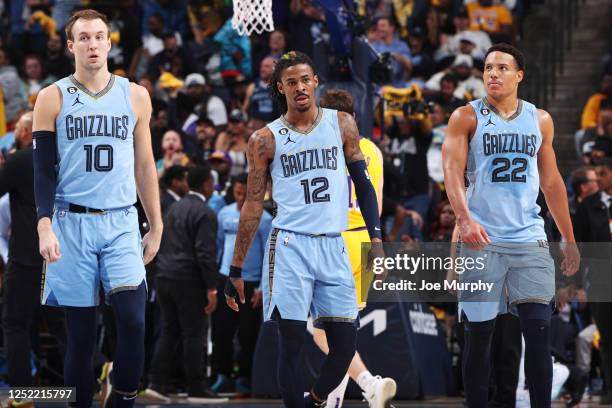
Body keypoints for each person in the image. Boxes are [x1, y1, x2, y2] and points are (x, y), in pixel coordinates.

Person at [225, 51, 384, 408]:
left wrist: (376, 238)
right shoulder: (264, 139)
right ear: (280, 88)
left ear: (316, 83)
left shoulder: (342, 123)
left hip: (334, 243)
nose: (299, 87)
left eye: (305, 79)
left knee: (344, 344)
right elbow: (252, 205)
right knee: (292, 341)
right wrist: (236, 268)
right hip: (290, 246)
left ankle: (316, 398)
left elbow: (364, 184)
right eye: (291, 82)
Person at [32, 9, 163, 408]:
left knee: (133, 320)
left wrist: (156, 223)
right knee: (82, 336)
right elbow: (43, 172)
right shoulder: (51, 97)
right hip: (71, 222)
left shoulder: (136, 95)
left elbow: (145, 164)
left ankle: (122, 399)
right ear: (71, 45)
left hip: (122, 220)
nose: (93, 43)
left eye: (99, 36)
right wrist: (44, 225)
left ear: (110, 42)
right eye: (84, 37)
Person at [442, 43, 580, 408]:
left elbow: (551, 183)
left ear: (519, 75)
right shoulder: (465, 117)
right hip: (480, 240)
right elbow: (452, 174)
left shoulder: (539, 120)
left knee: (538, 332)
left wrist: (568, 237)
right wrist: (464, 220)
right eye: (488, 67)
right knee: (480, 337)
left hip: (529, 238)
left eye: (502, 68)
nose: (493, 74)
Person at [313, 89, 396, 408]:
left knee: (319, 329)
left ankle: (368, 382)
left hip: (337, 241)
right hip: (367, 242)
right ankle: (332, 400)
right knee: (343, 330)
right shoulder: (373, 149)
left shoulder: (325, 147)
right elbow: (377, 200)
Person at [145, 165, 226, 403]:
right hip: (189, 281)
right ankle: (197, 388)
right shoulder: (205, 212)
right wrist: (212, 288)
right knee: (194, 334)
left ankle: (156, 383)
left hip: (164, 277)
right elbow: (205, 254)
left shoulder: (173, 207)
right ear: (207, 184)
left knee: (169, 331)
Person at [0, 112, 65, 402]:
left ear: (28, 132)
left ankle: (22, 393)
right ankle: (98, 371)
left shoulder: (20, 160)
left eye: (20, 129)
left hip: (27, 257)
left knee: (15, 323)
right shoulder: (67, 161)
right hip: (63, 257)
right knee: (63, 324)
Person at [212, 173, 272, 395]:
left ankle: (244, 377)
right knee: (221, 332)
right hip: (225, 279)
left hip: (251, 282)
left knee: (247, 335)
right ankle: (223, 375)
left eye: (244, 193)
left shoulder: (264, 219)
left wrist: (262, 288)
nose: (240, 198)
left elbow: (269, 254)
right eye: (236, 193)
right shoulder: (224, 214)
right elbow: (219, 246)